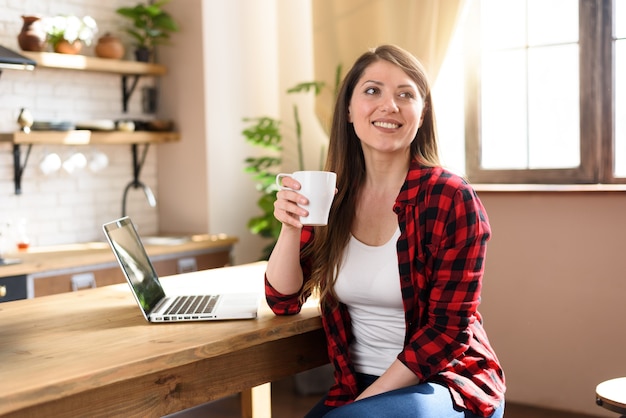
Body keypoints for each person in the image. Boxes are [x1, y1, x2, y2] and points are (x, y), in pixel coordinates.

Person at [265, 44, 505, 418]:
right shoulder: (334, 195)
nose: (389, 105)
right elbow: (283, 301)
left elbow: (447, 332)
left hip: (444, 382)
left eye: (405, 94)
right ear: (348, 108)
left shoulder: (450, 197)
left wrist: (364, 403)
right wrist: (290, 226)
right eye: (372, 90)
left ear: (422, 114)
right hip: (356, 381)